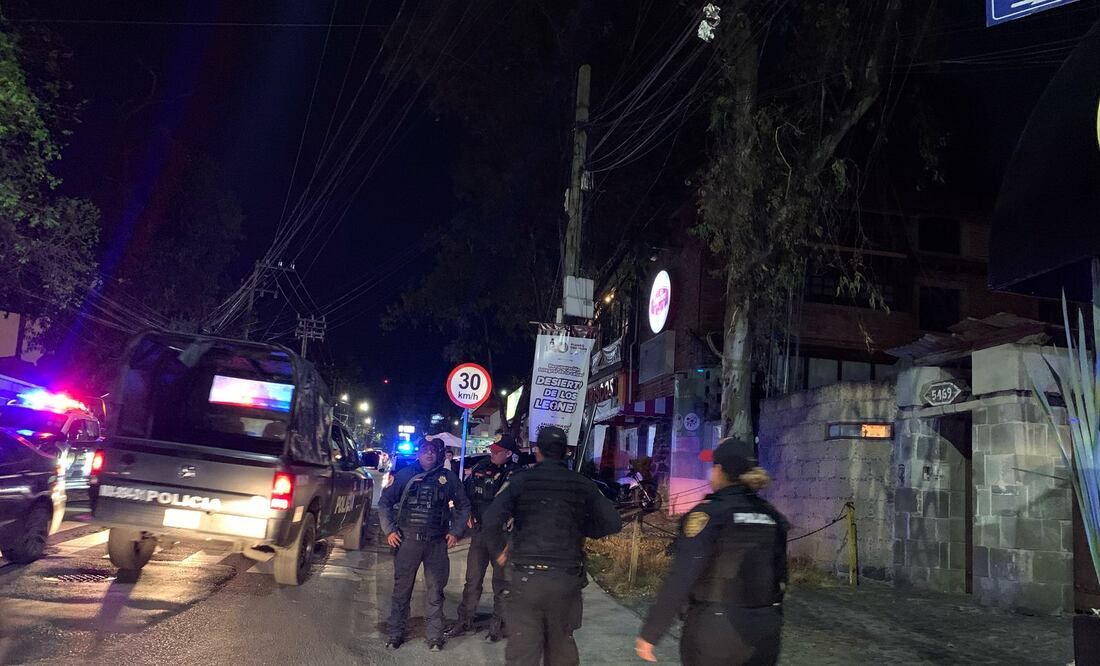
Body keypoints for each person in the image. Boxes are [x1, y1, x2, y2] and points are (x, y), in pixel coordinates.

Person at [635, 437, 789, 666]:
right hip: (764, 630)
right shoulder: (772, 516)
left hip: (716, 630)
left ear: (719, 470)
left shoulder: (708, 515)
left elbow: (682, 577)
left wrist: (651, 633)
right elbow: (781, 578)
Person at [482, 426, 623, 666]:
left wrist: (499, 552)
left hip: (526, 579)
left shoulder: (521, 481)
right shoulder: (581, 483)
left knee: (523, 651)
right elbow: (612, 522)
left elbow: (490, 519)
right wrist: (582, 528)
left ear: (537, 451)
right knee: (561, 651)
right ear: (566, 452)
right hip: (565, 582)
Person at [379, 436, 471, 652]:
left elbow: (464, 506)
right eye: (425, 449)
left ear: (439, 453)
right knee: (402, 591)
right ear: (419, 452)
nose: (429, 453)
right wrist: (390, 530)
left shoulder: (448, 479)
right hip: (407, 541)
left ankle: (435, 637)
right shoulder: (404, 475)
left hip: (436, 544)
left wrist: (456, 532)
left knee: (435, 591)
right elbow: (384, 503)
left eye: (433, 450)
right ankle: (395, 634)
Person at [448, 434, 522, 642]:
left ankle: (498, 626)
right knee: (472, 579)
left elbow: (524, 503)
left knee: (502, 583)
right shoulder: (480, 466)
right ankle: (465, 621)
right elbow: (466, 494)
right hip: (480, 533)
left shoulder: (517, 474)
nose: (492, 453)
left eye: (497, 452)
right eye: (492, 450)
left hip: (502, 537)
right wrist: (467, 514)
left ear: (508, 454)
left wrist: (515, 517)